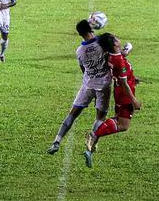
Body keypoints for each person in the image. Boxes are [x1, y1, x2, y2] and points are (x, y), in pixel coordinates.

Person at [48, 19, 112, 155]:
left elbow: (83, 69)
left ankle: (56, 141)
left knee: (72, 114)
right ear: (91, 29)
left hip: (88, 85)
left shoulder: (80, 51)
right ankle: (90, 147)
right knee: (100, 118)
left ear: (79, 34)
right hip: (103, 86)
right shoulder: (101, 43)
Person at [85, 33, 140, 168]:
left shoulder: (112, 56)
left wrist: (132, 77)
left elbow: (122, 60)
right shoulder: (119, 60)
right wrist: (134, 100)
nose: (118, 38)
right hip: (125, 94)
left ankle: (94, 137)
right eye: (115, 38)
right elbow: (124, 82)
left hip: (119, 92)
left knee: (118, 119)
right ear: (114, 44)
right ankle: (94, 135)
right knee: (123, 125)